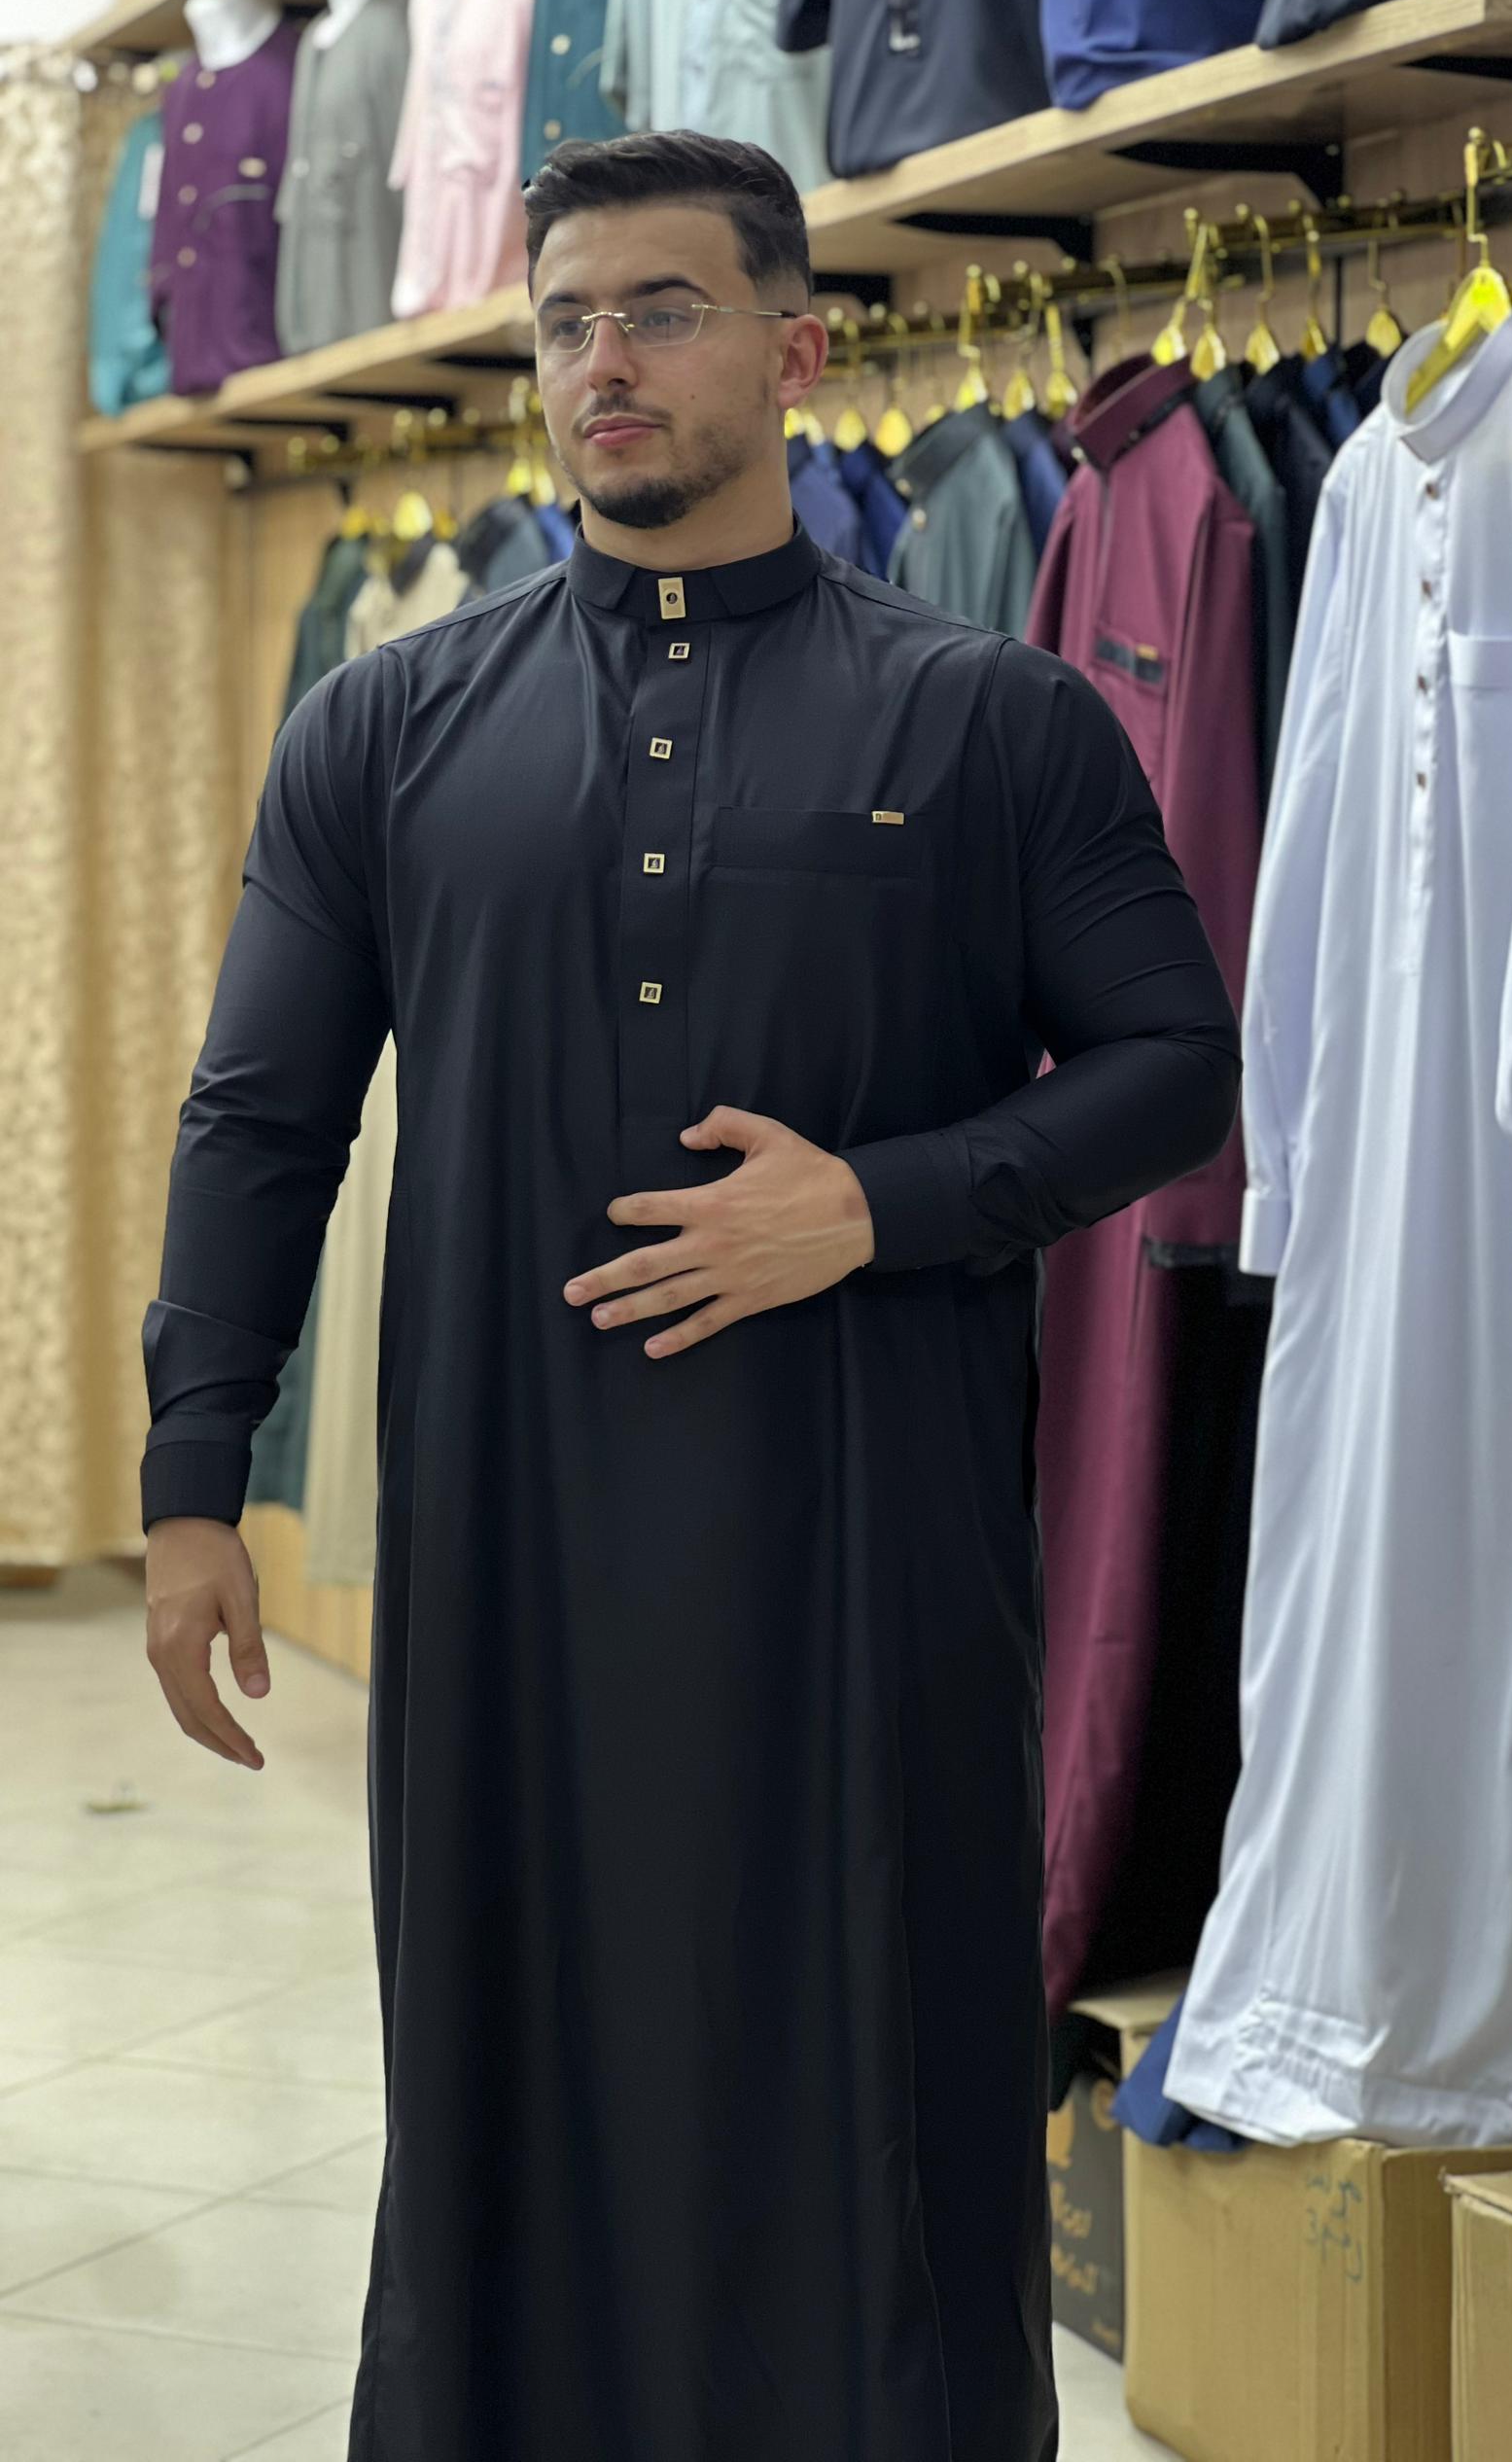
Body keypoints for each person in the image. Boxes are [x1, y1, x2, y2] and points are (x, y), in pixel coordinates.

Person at [141, 128, 1240, 2462]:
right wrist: (192, 1471)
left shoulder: (987, 718)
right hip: (508, 1550)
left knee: (877, 2062)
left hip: (869, 1551)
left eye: (657, 309)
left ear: (796, 347)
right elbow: (259, 1117)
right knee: (509, 2050)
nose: (600, 362)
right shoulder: (383, 729)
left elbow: (1175, 1063)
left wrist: (885, 1202)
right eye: (563, 321)